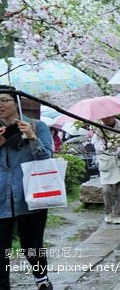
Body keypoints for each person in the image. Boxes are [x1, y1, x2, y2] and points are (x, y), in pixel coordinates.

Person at [0, 86, 54, 290]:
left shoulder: (37, 126)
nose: (0, 105)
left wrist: (32, 137)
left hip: (30, 196)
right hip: (1, 197)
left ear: (16, 103)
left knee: (32, 245)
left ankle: (42, 280)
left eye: (5, 100)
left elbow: (47, 157)